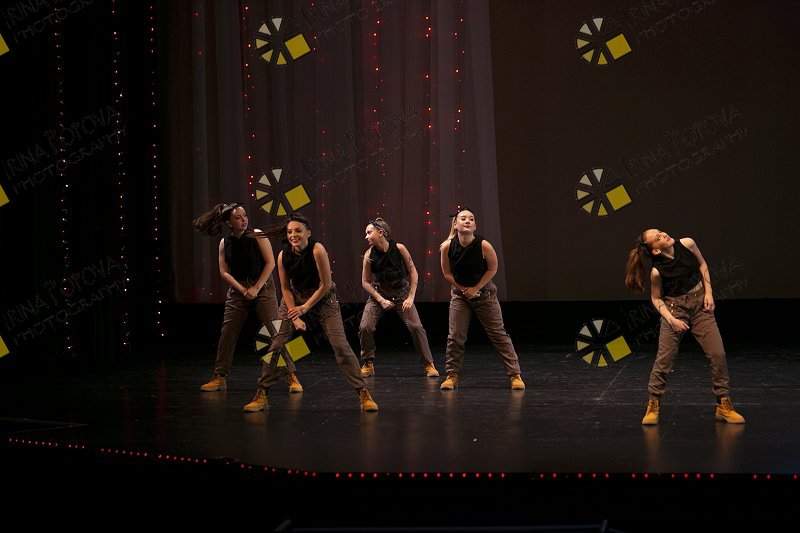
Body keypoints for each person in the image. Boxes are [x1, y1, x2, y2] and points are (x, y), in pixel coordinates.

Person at [244, 213, 379, 412]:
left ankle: (363, 392)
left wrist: (305, 308)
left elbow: (325, 285)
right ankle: (262, 393)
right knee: (277, 345)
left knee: (340, 345)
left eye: (298, 231)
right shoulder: (282, 256)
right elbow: (285, 288)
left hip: (323, 299)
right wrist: (295, 315)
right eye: (290, 232)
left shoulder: (317, 250)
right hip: (294, 300)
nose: (293, 235)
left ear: (308, 232)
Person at [625, 229, 744, 425]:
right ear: (656, 250)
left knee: (718, 354)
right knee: (665, 359)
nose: (663, 234)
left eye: (660, 231)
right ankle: (653, 403)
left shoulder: (688, 244)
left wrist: (709, 293)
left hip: (700, 305)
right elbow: (656, 299)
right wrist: (671, 320)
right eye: (658, 237)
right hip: (674, 310)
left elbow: (702, 264)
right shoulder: (657, 271)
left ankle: (723, 404)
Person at [192, 203, 303, 394]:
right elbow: (224, 272)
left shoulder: (256, 234)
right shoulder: (225, 242)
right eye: (238, 218)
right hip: (239, 290)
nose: (244, 220)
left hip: (263, 287)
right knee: (228, 332)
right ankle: (219, 376)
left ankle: (290, 375)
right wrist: (244, 290)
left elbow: (270, 263)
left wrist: (256, 288)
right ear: (229, 222)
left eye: (245, 216)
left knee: (275, 333)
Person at [438, 207, 525, 391]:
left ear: (475, 225)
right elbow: (447, 273)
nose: (467, 221)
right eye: (463, 218)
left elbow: (492, 269)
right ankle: (452, 375)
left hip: (485, 295)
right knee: (455, 337)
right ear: (455, 224)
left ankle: (515, 375)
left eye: (471, 219)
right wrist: (464, 290)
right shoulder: (447, 247)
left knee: (498, 335)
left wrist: (475, 288)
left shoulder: (484, 245)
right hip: (461, 296)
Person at [358, 218, 439, 378]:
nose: (366, 236)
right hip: (379, 295)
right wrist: (380, 300)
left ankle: (429, 364)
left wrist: (410, 297)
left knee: (416, 327)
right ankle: (368, 363)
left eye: (369, 232)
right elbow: (365, 282)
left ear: (381, 233)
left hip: (401, 293)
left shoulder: (399, 248)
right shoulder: (369, 255)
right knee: (365, 327)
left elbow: (413, 272)